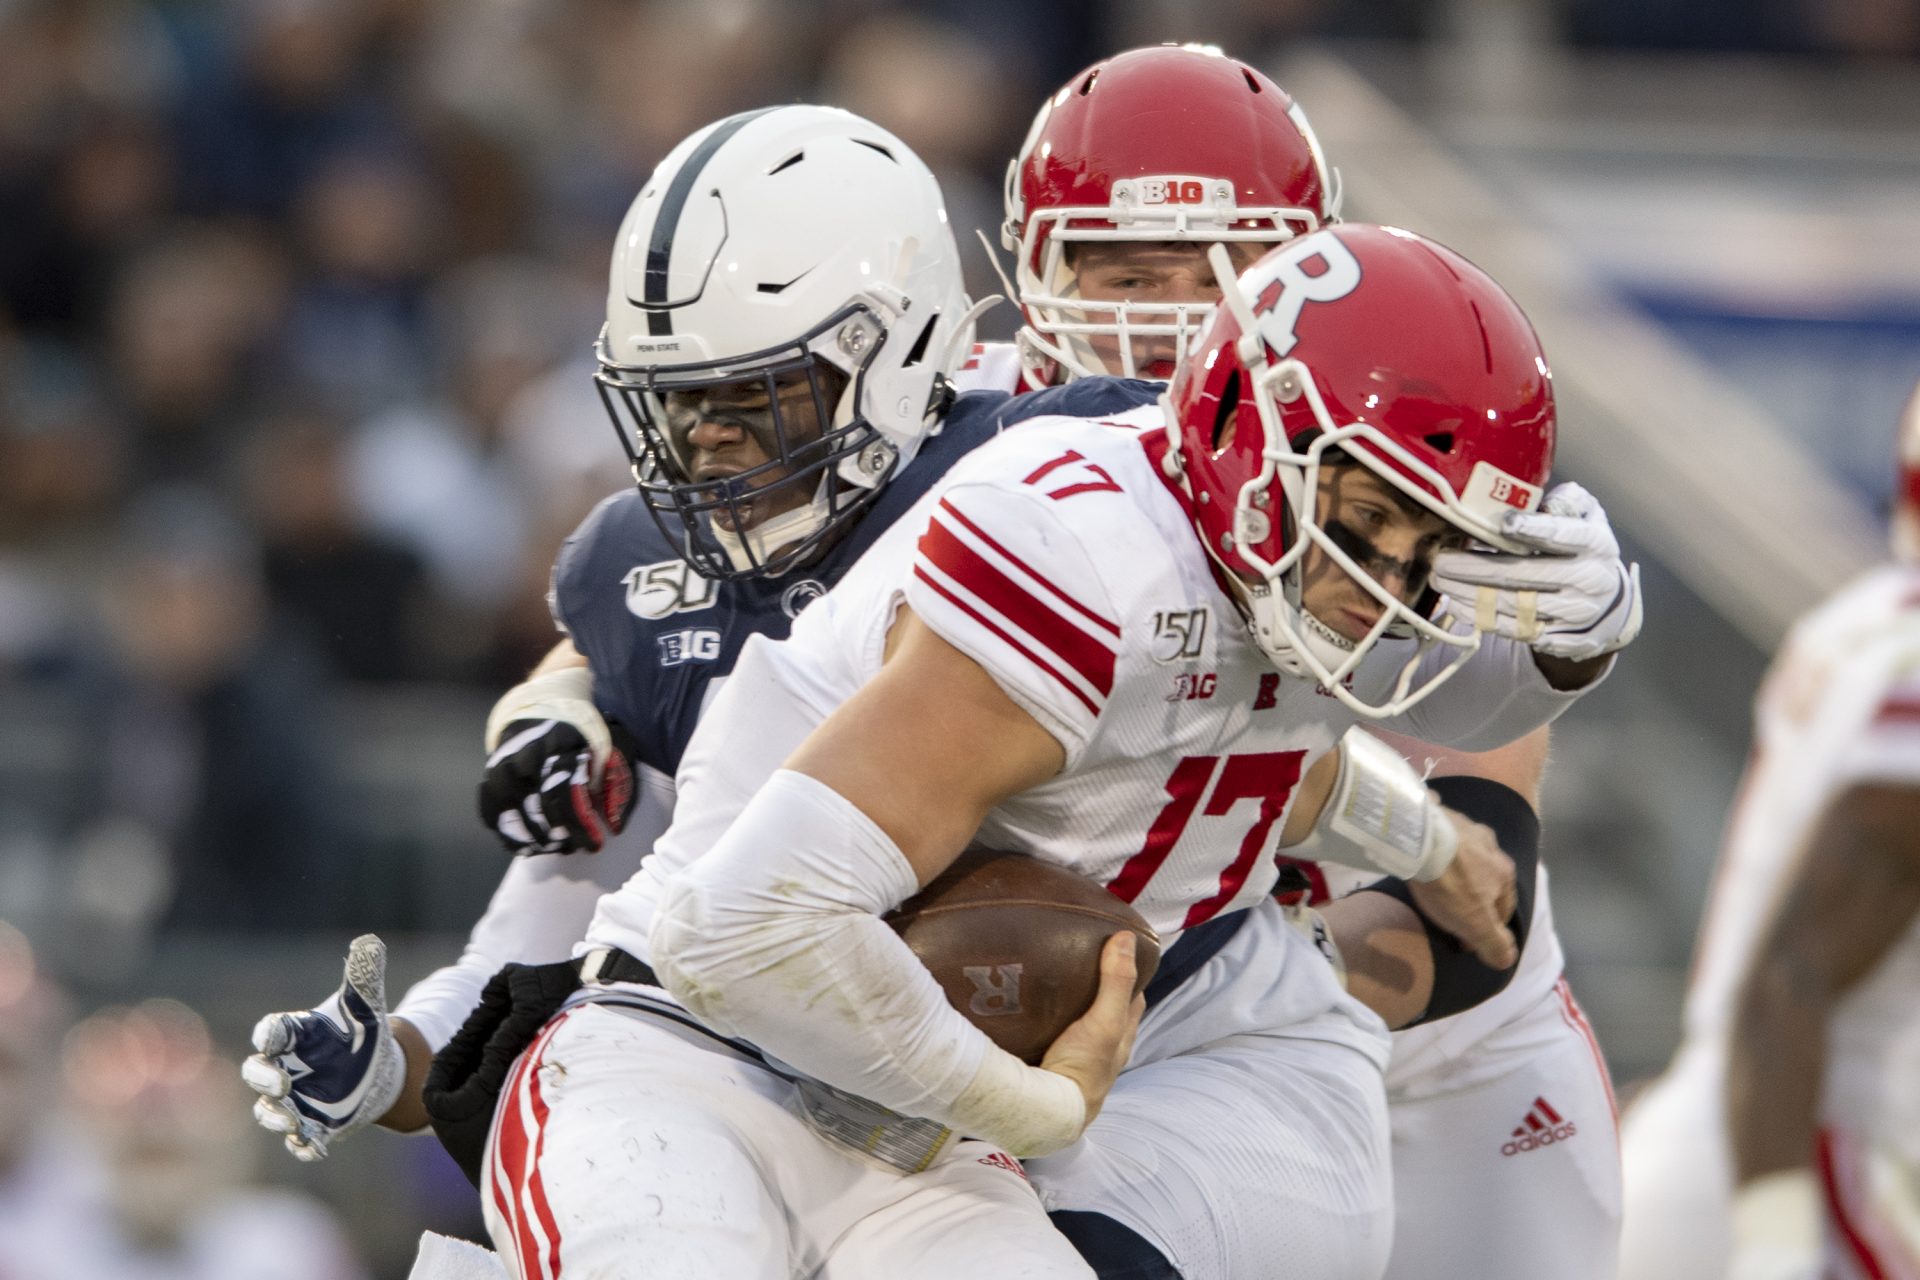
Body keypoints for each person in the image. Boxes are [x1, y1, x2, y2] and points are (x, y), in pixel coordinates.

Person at [476, 221, 1638, 1279]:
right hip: (700, 1058)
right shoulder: (1093, 555)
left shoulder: (1273, 572)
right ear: (1248, 427)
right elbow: (746, 930)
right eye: (1366, 517)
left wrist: (1474, 780)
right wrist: (1040, 1105)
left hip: (922, 1130)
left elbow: (1254, 766)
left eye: (1426, 544)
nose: (1380, 586)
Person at [990, 44, 1620, 1279]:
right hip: (1130, 1052)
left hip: (1419, 1067)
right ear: (1032, 270)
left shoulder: (1402, 462)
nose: (1173, 322)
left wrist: (1207, 988)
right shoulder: (973, 453)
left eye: (1226, 271)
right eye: (1124, 271)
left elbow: (1470, 902)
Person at [1617, 386, 1920, 1280]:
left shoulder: (1860, 623)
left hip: (1733, 1141)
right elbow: (1790, 980)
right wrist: (1779, 1248)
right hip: (1802, 1159)